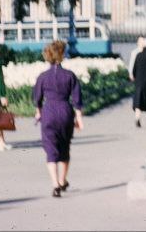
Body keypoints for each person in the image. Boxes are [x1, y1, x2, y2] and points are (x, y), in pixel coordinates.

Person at [32, 40, 83, 198]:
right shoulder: (70, 76)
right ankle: (62, 180)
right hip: (65, 112)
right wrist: (79, 118)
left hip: (49, 112)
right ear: (62, 55)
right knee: (64, 147)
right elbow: (77, 99)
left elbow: (36, 99)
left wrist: (38, 111)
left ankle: (55, 184)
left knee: (50, 149)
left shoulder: (42, 77)